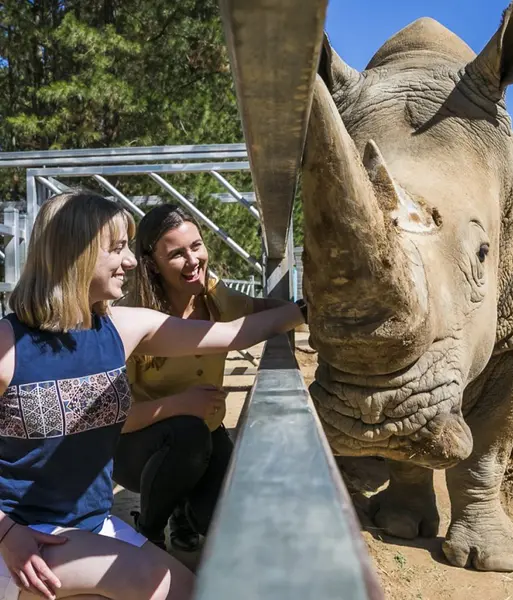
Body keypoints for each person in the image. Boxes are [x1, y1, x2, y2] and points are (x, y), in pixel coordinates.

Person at [0, 191, 305, 600]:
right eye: (117, 249)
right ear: (77, 253)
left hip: (89, 525)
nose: (129, 262)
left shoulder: (124, 328)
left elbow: (234, 334)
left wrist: (308, 308)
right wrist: (7, 533)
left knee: (191, 584)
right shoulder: (8, 345)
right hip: (23, 539)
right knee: (169, 587)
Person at [112, 204, 296, 554]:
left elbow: (256, 310)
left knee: (220, 519)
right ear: (152, 263)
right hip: (137, 448)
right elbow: (116, 419)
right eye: (177, 254)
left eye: (196, 245)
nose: (193, 259)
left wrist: (305, 309)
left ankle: (183, 511)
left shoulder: (215, 296)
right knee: (189, 433)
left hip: (207, 436)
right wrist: (180, 405)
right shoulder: (134, 317)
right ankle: (149, 531)